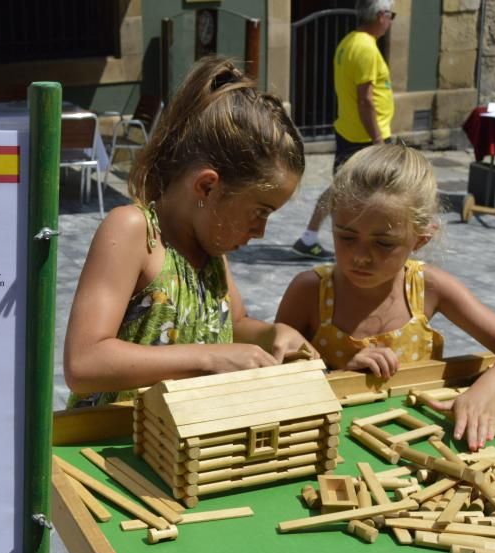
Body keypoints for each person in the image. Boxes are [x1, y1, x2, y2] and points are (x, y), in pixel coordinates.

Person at [63, 57, 314, 408]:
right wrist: (209, 358)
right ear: (208, 188)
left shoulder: (211, 250)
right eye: (259, 212)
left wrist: (274, 333)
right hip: (110, 443)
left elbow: (235, 322)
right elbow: (84, 362)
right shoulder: (134, 231)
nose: (260, 232)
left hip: (182, 441)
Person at [275, 143, 495, 451]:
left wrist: (485, 393)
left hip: (418, 447)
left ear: (420, 240)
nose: (360, 256)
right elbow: (278, 378)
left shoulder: (429, 288)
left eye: (384, 243)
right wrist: (336, 374)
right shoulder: (310, 292)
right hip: (331, 446)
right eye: (346, 237)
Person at [291, 0, 396, 260]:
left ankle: (310, 237)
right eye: (391, 15)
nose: (391, 21)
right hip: (364, 136)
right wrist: (378, 140)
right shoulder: (366, 49)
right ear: (381, 15)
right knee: (375, 192)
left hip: (349, 130)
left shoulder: (349, 42)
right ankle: (371, 242)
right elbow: (366, 99)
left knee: (342, 188)